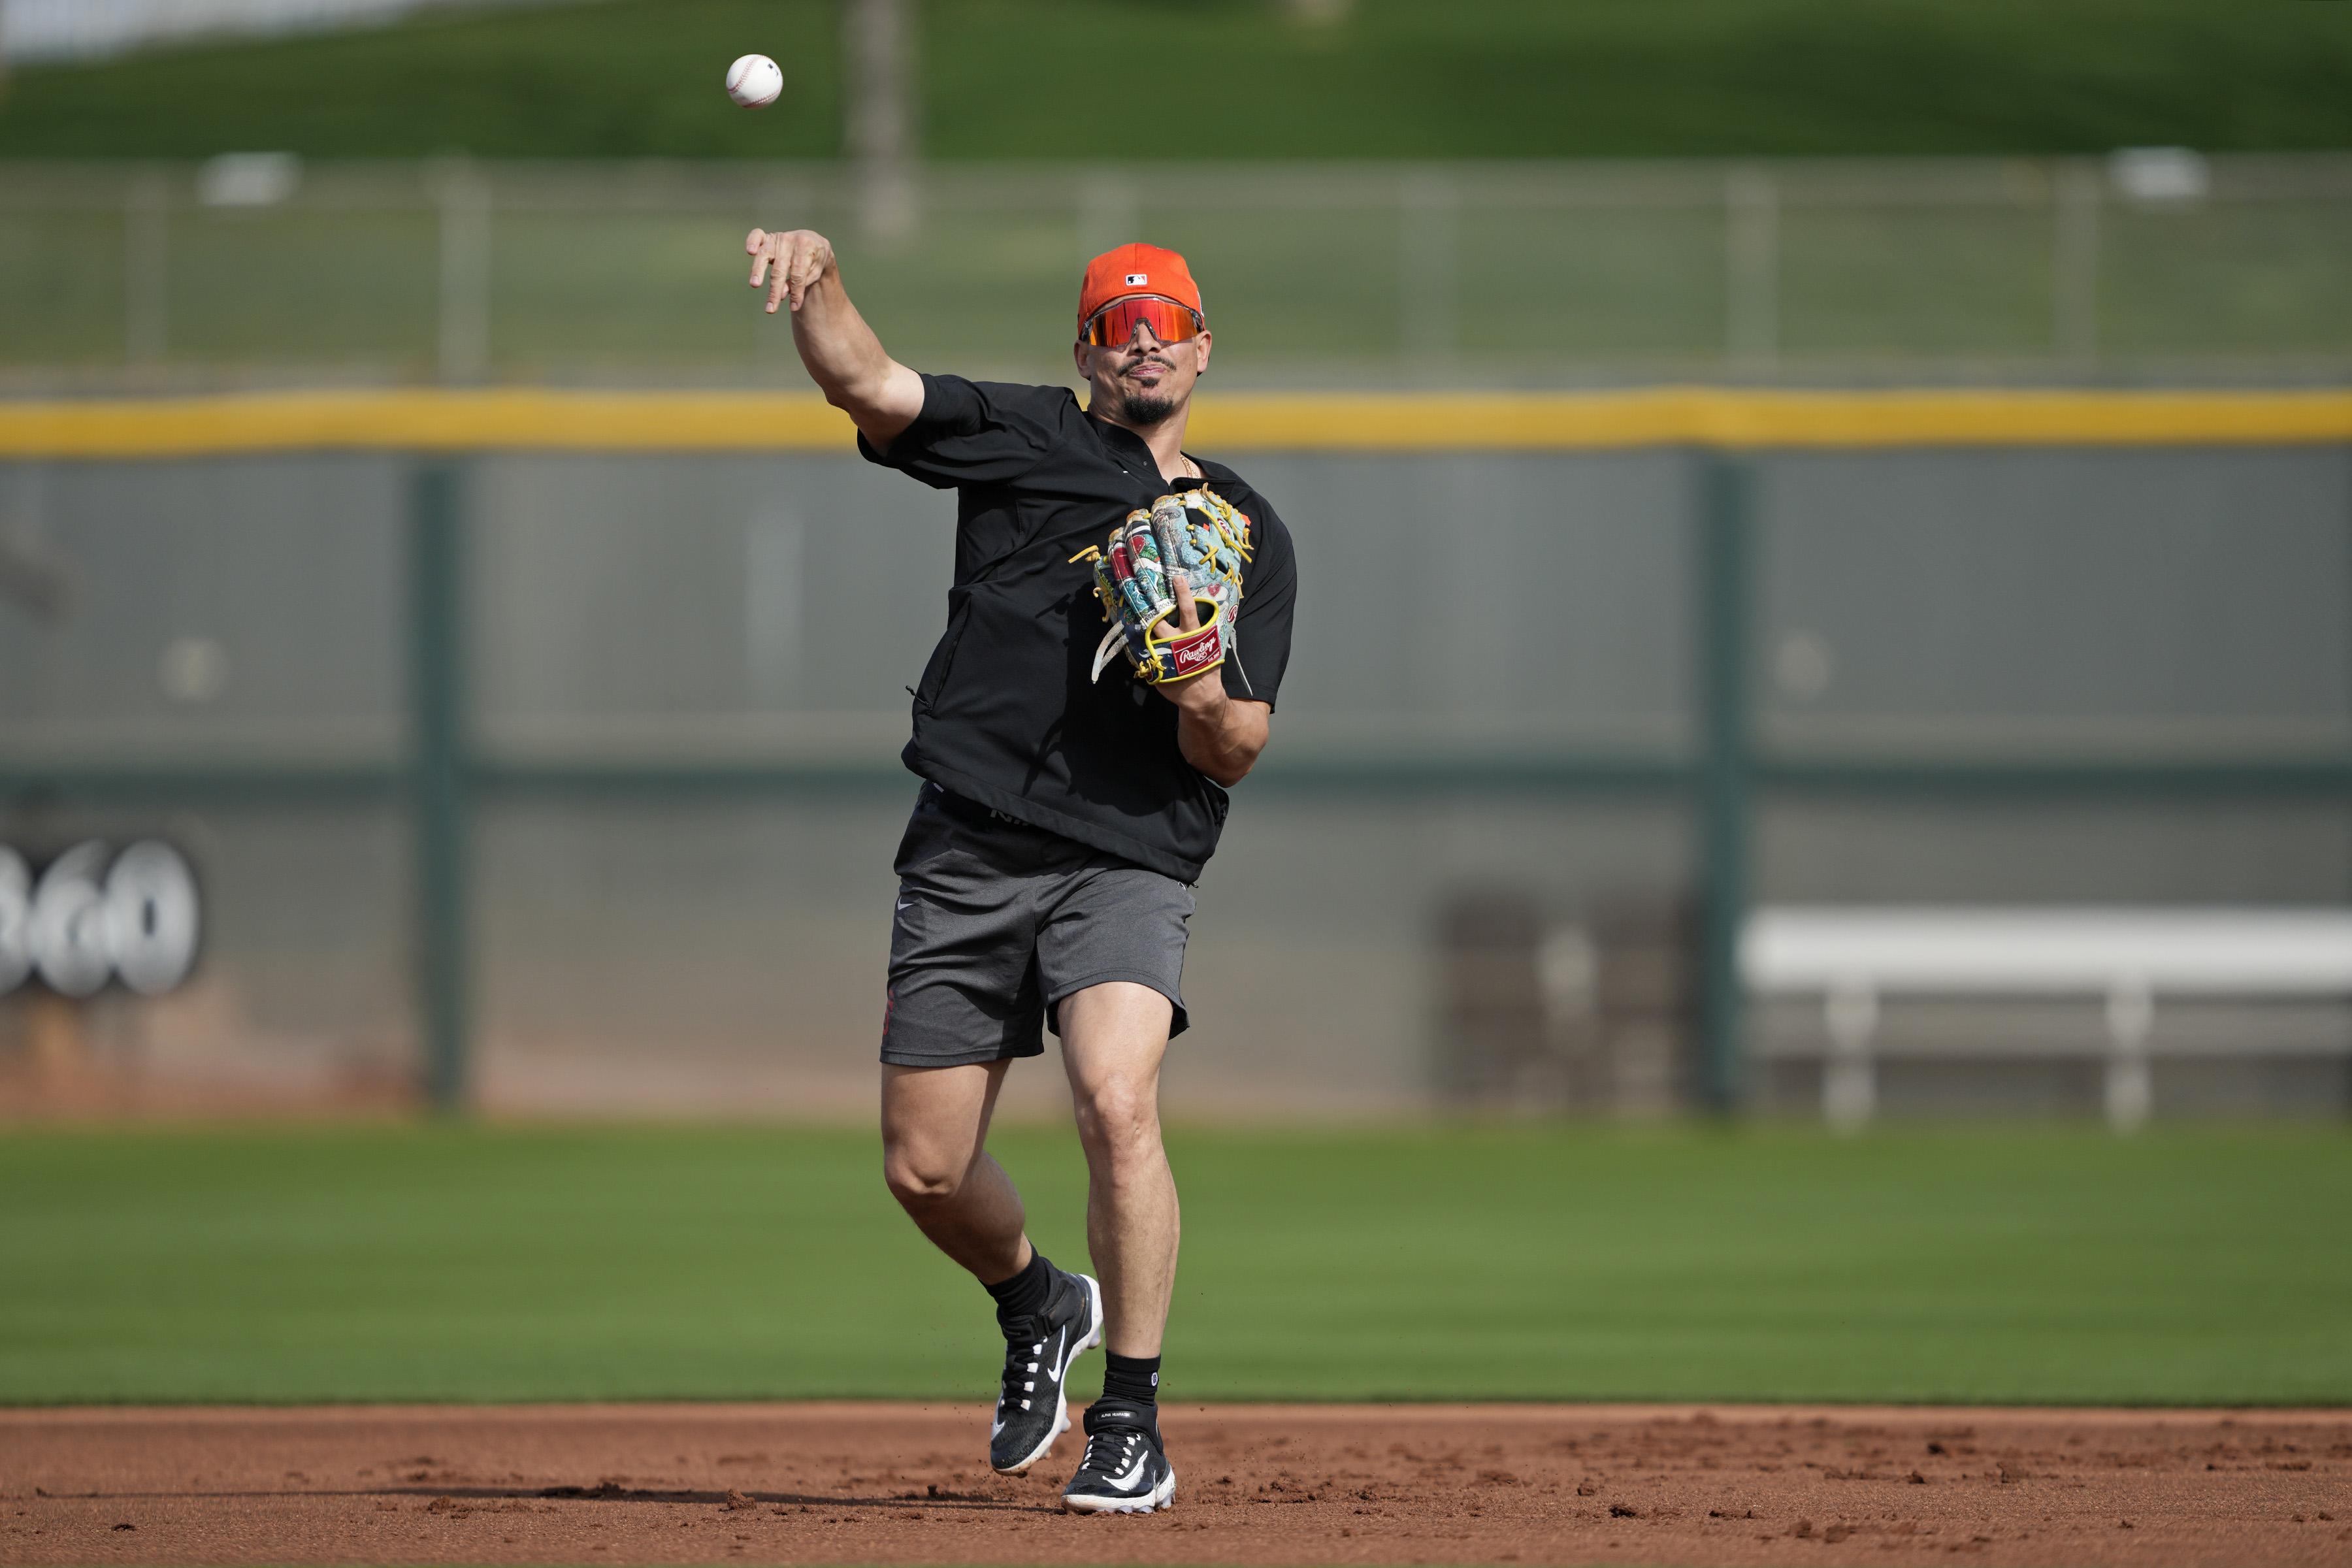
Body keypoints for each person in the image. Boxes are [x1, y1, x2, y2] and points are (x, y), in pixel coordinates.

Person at [742, 228, 1299, 1515]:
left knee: (1116, 1098)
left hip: (1130, 853)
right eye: (1119, 320)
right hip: (968, 836)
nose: (1145, 336)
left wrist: (1195, 672)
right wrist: (819, 284)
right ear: (1087, 354)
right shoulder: (1031, 438)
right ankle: (1041, 1300)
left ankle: (1134, 1423)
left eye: (1168, 320)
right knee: (923, 1171)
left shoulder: (1244, 533)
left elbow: (1240, 747)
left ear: (1204, 349)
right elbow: (869, 386)